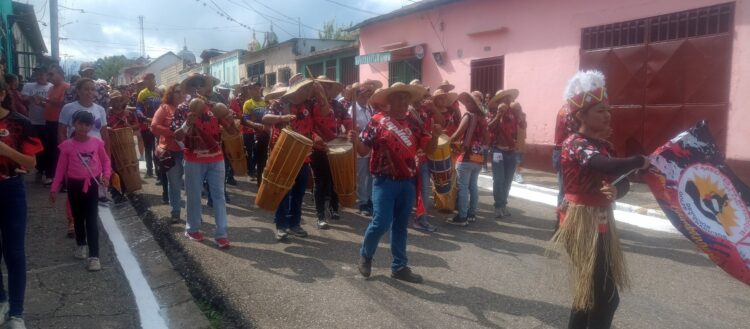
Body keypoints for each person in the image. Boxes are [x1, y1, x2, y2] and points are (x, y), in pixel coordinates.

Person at [551, 70, 649, 329]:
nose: (607, 115)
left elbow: (621, 181)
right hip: (579, 222)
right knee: (606, 297)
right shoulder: (574, 143)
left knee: (590, 294)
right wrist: (638, 160)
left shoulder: (604, 145)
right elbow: (602, 165)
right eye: (600, 111)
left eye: (608, 110)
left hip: (602, 221)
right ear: (581, 115)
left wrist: (618, 192)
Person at [354, 82, 441, 283]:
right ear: (389, 102)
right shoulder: (377, 121)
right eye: (397, 98)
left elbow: (429, 150)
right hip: (384, 181)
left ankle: (399, 266)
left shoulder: (415, 123)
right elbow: (364, 151)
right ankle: (366, 256)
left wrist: (435, 137)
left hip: (408, 182)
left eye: (405, 99)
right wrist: (355, 140)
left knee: (401, 226)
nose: (402, 102)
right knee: (381, 222)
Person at [262, 74, 330, 241]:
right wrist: (281, 118)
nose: (307, 91)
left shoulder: (308, 104)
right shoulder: (281, 103)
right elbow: (265, 118)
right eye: (305, 88)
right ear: (296, 88)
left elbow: (324, 113)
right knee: (284, 191)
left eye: (308, 88)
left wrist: (315, 137)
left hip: (303, 155)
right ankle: (281, 226)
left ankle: (294, 224)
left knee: (299, 193)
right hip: (285, 154)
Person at [173, 73, 237, 249]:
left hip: (216, 158)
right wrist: (187, 123)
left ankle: (221, 233)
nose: (198, 88)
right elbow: (176, 135)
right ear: (191, 89)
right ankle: (192, 229)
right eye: (195, 85)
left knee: (218, 196)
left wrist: (231, 119)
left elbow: (233, 132)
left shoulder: (214, 108)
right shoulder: (183, 109)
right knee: (193, 195)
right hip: (193, 158)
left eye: (201, 85)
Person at [0, 77, 43, 329]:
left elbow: (31, 163)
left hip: (11, 190)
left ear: (3, 93)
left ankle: (16, 312)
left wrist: (6, 152)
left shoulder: (20, 122)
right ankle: (2, 300)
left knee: (14, 252)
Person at [50, 110, 111, 272]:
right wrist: (54, 188)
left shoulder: (97, 143)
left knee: (91, 219)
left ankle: (94, 256)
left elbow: (106, 161)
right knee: (77, 218)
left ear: (91, 126)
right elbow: (60, 169)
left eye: (86, 124)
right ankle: (81, 244)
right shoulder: (67, 146)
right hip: (74, 186)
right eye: (79, 123)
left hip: (91, 185)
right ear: (73, 124)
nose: (83, 127)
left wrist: (106, 176)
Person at [310, 76, 350, 229]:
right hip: (318, 149)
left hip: (336, 148)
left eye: (327, 87)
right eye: (322, 86)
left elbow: (347, 120)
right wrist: (316, 138)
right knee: (320, 182)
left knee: (335, 180)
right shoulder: (311, 105)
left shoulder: (338, 105)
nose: (325, 89)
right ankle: (320, 215)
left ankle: (334, 208)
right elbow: (308, 127)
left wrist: (349, 131)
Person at [447, 92, 488, 226]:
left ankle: (462, 217)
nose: (466, 105)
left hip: (466, 156)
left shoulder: (469, 116)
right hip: (479, 156)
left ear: (473, 105)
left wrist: (448, 141)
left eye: (468, 103)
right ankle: (471, 214)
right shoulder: (483, 119)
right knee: (473, 186)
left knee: (463, 187)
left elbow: (458, 134)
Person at [486, 89, 523, 218]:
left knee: (507, 180)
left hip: (511, 152)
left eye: (508, 98)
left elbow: (523, 126)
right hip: (497, 150)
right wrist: (498, 115)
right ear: (499, 101)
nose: (507, 101)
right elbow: (489, 127)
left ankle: (504, 205)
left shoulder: (513, 113)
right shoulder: (492, 112)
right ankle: (498, 205)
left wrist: (520, 113)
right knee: (498, 179)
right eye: (504, 99)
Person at [151, 83, 185, 223]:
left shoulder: (188, 108)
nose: (180, 94)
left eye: (182, 92)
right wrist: (173, 133)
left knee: (191, 185)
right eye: (177, 92)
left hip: (188, 152)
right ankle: (175, 212)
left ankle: (195, 215)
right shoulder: (164, 108)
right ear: (170, 94)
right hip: (171, 152)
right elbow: (154, 127)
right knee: (175, 184)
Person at [348, 79, 382, 216]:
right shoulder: (352, 110)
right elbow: (351, 128)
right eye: (362, 95)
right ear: (357, 96)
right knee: (361, 176)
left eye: (367, 95)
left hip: (370, 146)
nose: (365, 97)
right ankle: (362, 203)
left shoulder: (369, 108)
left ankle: (370, 200)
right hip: (360, 146)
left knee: (370, 175)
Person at [20, 67, 51, 183]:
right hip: (33, 121)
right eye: (37, 75)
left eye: (42, 75)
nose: (39, 77)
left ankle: (44, 168)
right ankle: (39, 167)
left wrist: (43, 101)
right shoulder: (29, 86)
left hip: (47, 121)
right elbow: (22, 98)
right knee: (35, 146)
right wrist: (31, 98)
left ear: (47, 76)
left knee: (46, 146)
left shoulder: (51, 87)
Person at [58, 79, 109, 147]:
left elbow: (105, 135)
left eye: (92, 89)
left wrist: (107, 156)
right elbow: (61, 133)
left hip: (97, 152)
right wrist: (66, 150)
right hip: (75, 151)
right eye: (86, 89)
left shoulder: (100, 110)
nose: (90, 92)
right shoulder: (67, 108)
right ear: (78, 91)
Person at [136, 73, 161, 178]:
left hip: (157, 125)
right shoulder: (142, 93)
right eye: (148, 80)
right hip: (146, 125)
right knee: (148, 148)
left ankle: (159, 172)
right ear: (146, 82)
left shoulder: (159, 92)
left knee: (157, 148)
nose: (151, 81)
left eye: (152, 79)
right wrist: (144, 117)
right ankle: (149, 170)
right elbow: (138, 108)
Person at [241, 81, 267, 181]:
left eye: (254, 88)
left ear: (259, 89)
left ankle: (260, 176)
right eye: (250, 89)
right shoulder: (248, 103)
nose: (252, 91)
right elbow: (245, 120)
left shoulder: (266, 101)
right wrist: (255, 124)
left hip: (266, 134)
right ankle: (252, 172)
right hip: (252, 133)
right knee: (252, 154)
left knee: (263, 157)